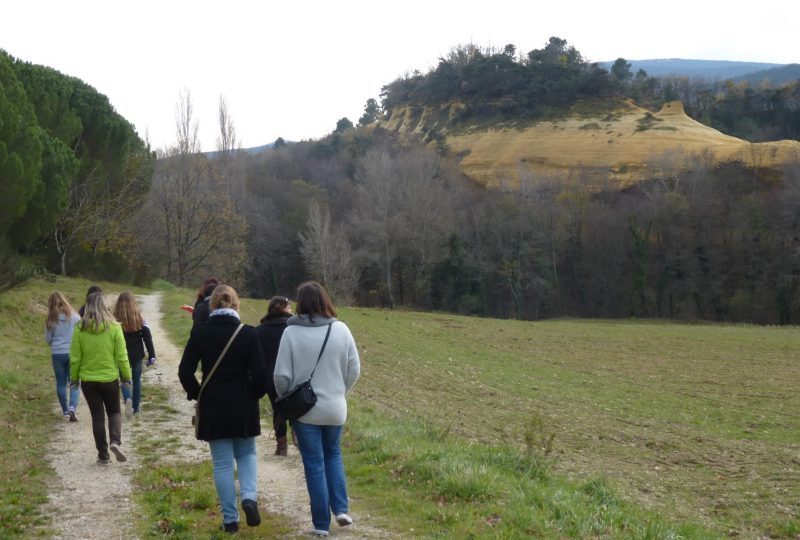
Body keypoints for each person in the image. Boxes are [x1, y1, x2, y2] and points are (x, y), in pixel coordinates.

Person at [178, 285, 269, 534]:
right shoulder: (249, 334)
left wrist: (199, 394)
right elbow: (261, 376)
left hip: (214, 404)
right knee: (247, 453)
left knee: (222, 464)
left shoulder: (199, 333)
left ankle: (230, 520)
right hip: (244, 403)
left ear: (211, 306)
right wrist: (254, 393)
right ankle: (249, 498)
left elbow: (185, 372)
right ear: (236, 305)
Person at [274, 281, 360, 537]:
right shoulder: (342, 330)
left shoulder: (290, 333)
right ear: (325, 301)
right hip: (335, 408)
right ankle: (342, 509)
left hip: (305, 412)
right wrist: (340, 392)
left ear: (300, 303)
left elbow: (281, 376)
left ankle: (321, 524)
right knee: (333, 454)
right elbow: (354, 369)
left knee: (314, 464)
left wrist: (287, 397)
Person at [70, 292, 132, 464]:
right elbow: (122, 356)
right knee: (114, 412)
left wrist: (73, 378)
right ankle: (115, 441)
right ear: (105, 306)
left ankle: (103, 455)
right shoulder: (114, 327)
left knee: (97, 417)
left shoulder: (79, 328)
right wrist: (126, 376)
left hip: (89, 381)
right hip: (109, 379)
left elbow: (75, 357)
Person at [256, 295, 293, 456]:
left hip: (270, 378)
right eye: (289, 307)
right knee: (298, 409)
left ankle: (282, 446)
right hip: (294, 377)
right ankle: (299, 440)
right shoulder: (292, 329)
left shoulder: (260, 330)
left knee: (278, 411)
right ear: (284, 309)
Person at [113, 292, 156, 417]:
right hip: (137, 354)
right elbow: (147, 337)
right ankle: (136, 408)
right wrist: (152, 355)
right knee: (136, 381)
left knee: (124, 379)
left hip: (121, 354)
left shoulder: (114, 319)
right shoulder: (140, 317)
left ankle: (127, 399)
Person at [45, 291, 81, 421]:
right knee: (74, 382)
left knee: (61, 383)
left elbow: (48, 340)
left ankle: (65, 411)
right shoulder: (75, 316)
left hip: (57, 353)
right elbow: (81, 334)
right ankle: (72, 407)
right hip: (73, 353)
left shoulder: (50, 319)